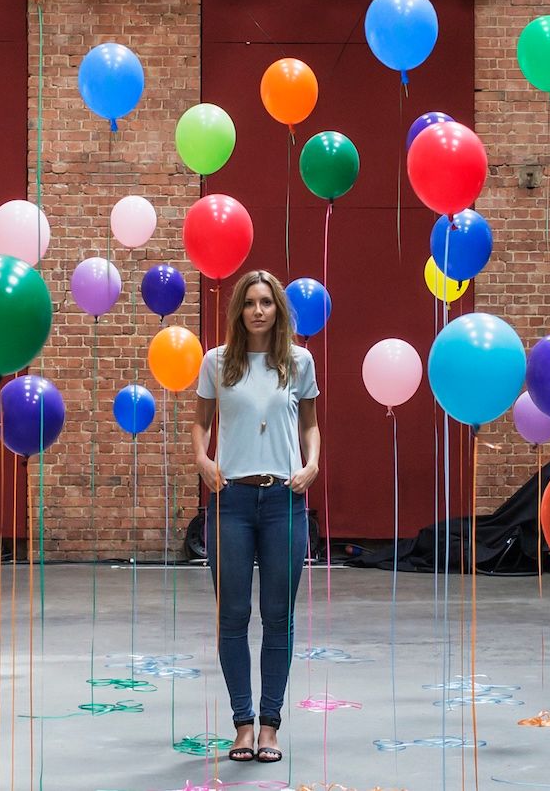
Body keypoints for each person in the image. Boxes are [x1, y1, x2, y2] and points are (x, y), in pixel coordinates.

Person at [190, 269, 321, 764]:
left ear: (278, 309)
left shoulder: (298, 363)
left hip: (285, 500)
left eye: (267, 302)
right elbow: (200, 423)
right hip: (232, 503)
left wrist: (312, 464)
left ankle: (270, 727)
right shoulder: (217, 363)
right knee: (233, 615)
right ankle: (242, 725)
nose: (259, 310)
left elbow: (310, 425)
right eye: (250, 302)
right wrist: (202, 460)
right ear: (239, 310)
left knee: (278, 617)